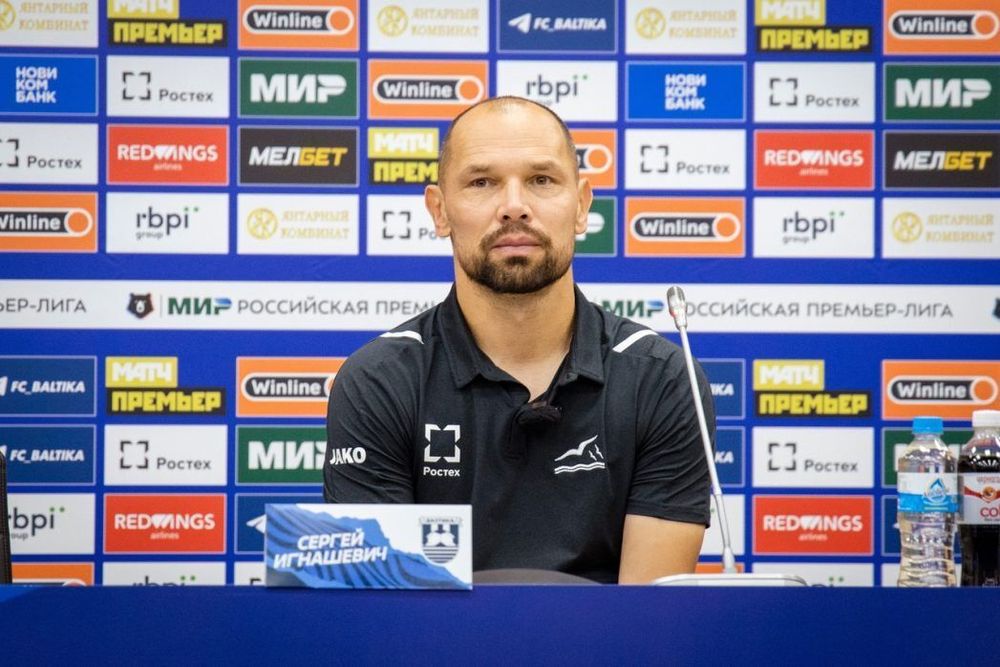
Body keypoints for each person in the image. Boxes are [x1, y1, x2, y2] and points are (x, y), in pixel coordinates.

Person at [324, 96, 714, 584]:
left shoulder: (662, 380)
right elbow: (383, 609)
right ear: (440, 211)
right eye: (482, 182)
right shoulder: (378, 382)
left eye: (542, 180)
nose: (514, 207)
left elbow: (647, 615)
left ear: (581, 206)